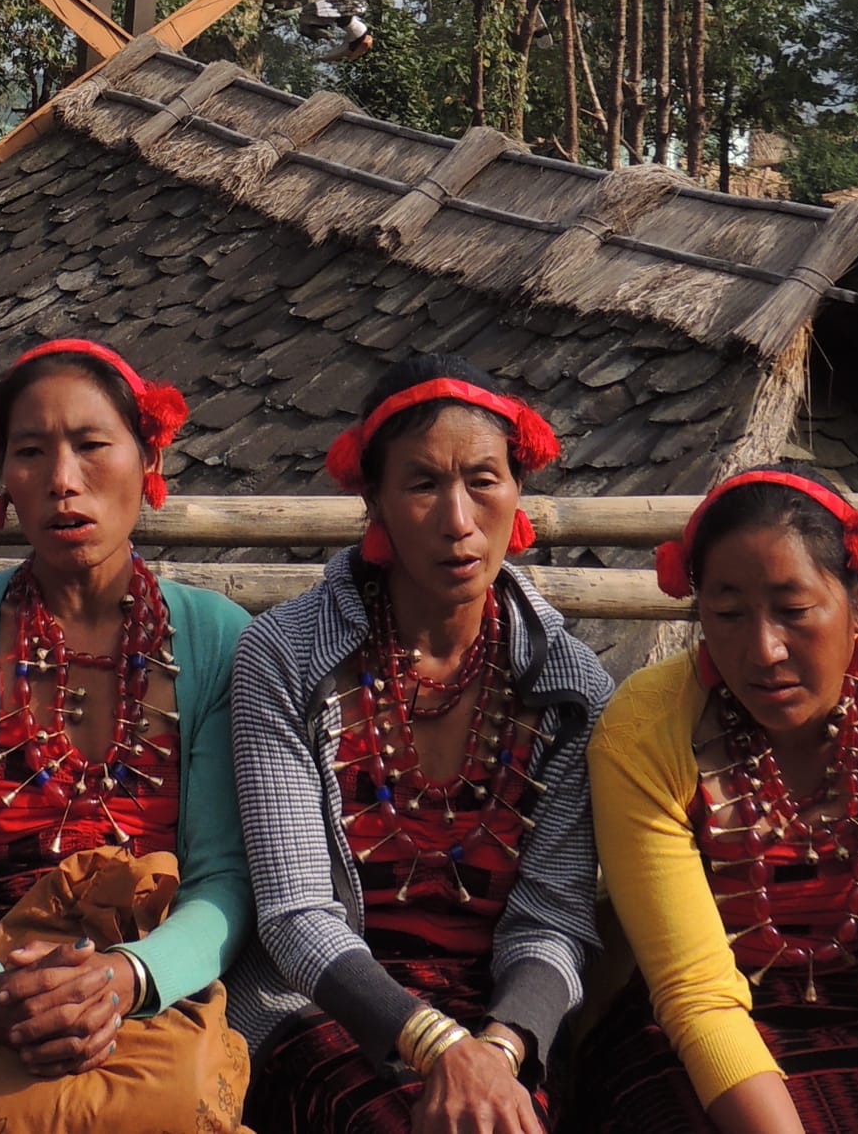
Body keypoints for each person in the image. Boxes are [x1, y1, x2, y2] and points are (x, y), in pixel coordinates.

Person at [233, 356, 612, 1134]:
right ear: (374, 499)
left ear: (517, 488)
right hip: (321, 1000)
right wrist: (440, 1046)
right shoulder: (286, 657)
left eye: (483, 479)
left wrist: (497, 1049)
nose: (458, 519)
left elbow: (552, 919)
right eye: (422, 484)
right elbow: (295, 913)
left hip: (499, 1012)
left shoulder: (570, 691)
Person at [0, 336, 254, 1132]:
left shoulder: (217, 638)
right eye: (30, 451)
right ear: (4, 478)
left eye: (91, 444)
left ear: (148, 457)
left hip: (154, 982)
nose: (62, 478)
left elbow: (222, 876)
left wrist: (126, 977)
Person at [568, 470, 858, 1134]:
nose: (763, 650)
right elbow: (694, 992)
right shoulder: (643, 731)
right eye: (729, 615)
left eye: (793, 610)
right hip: (684, 1042)